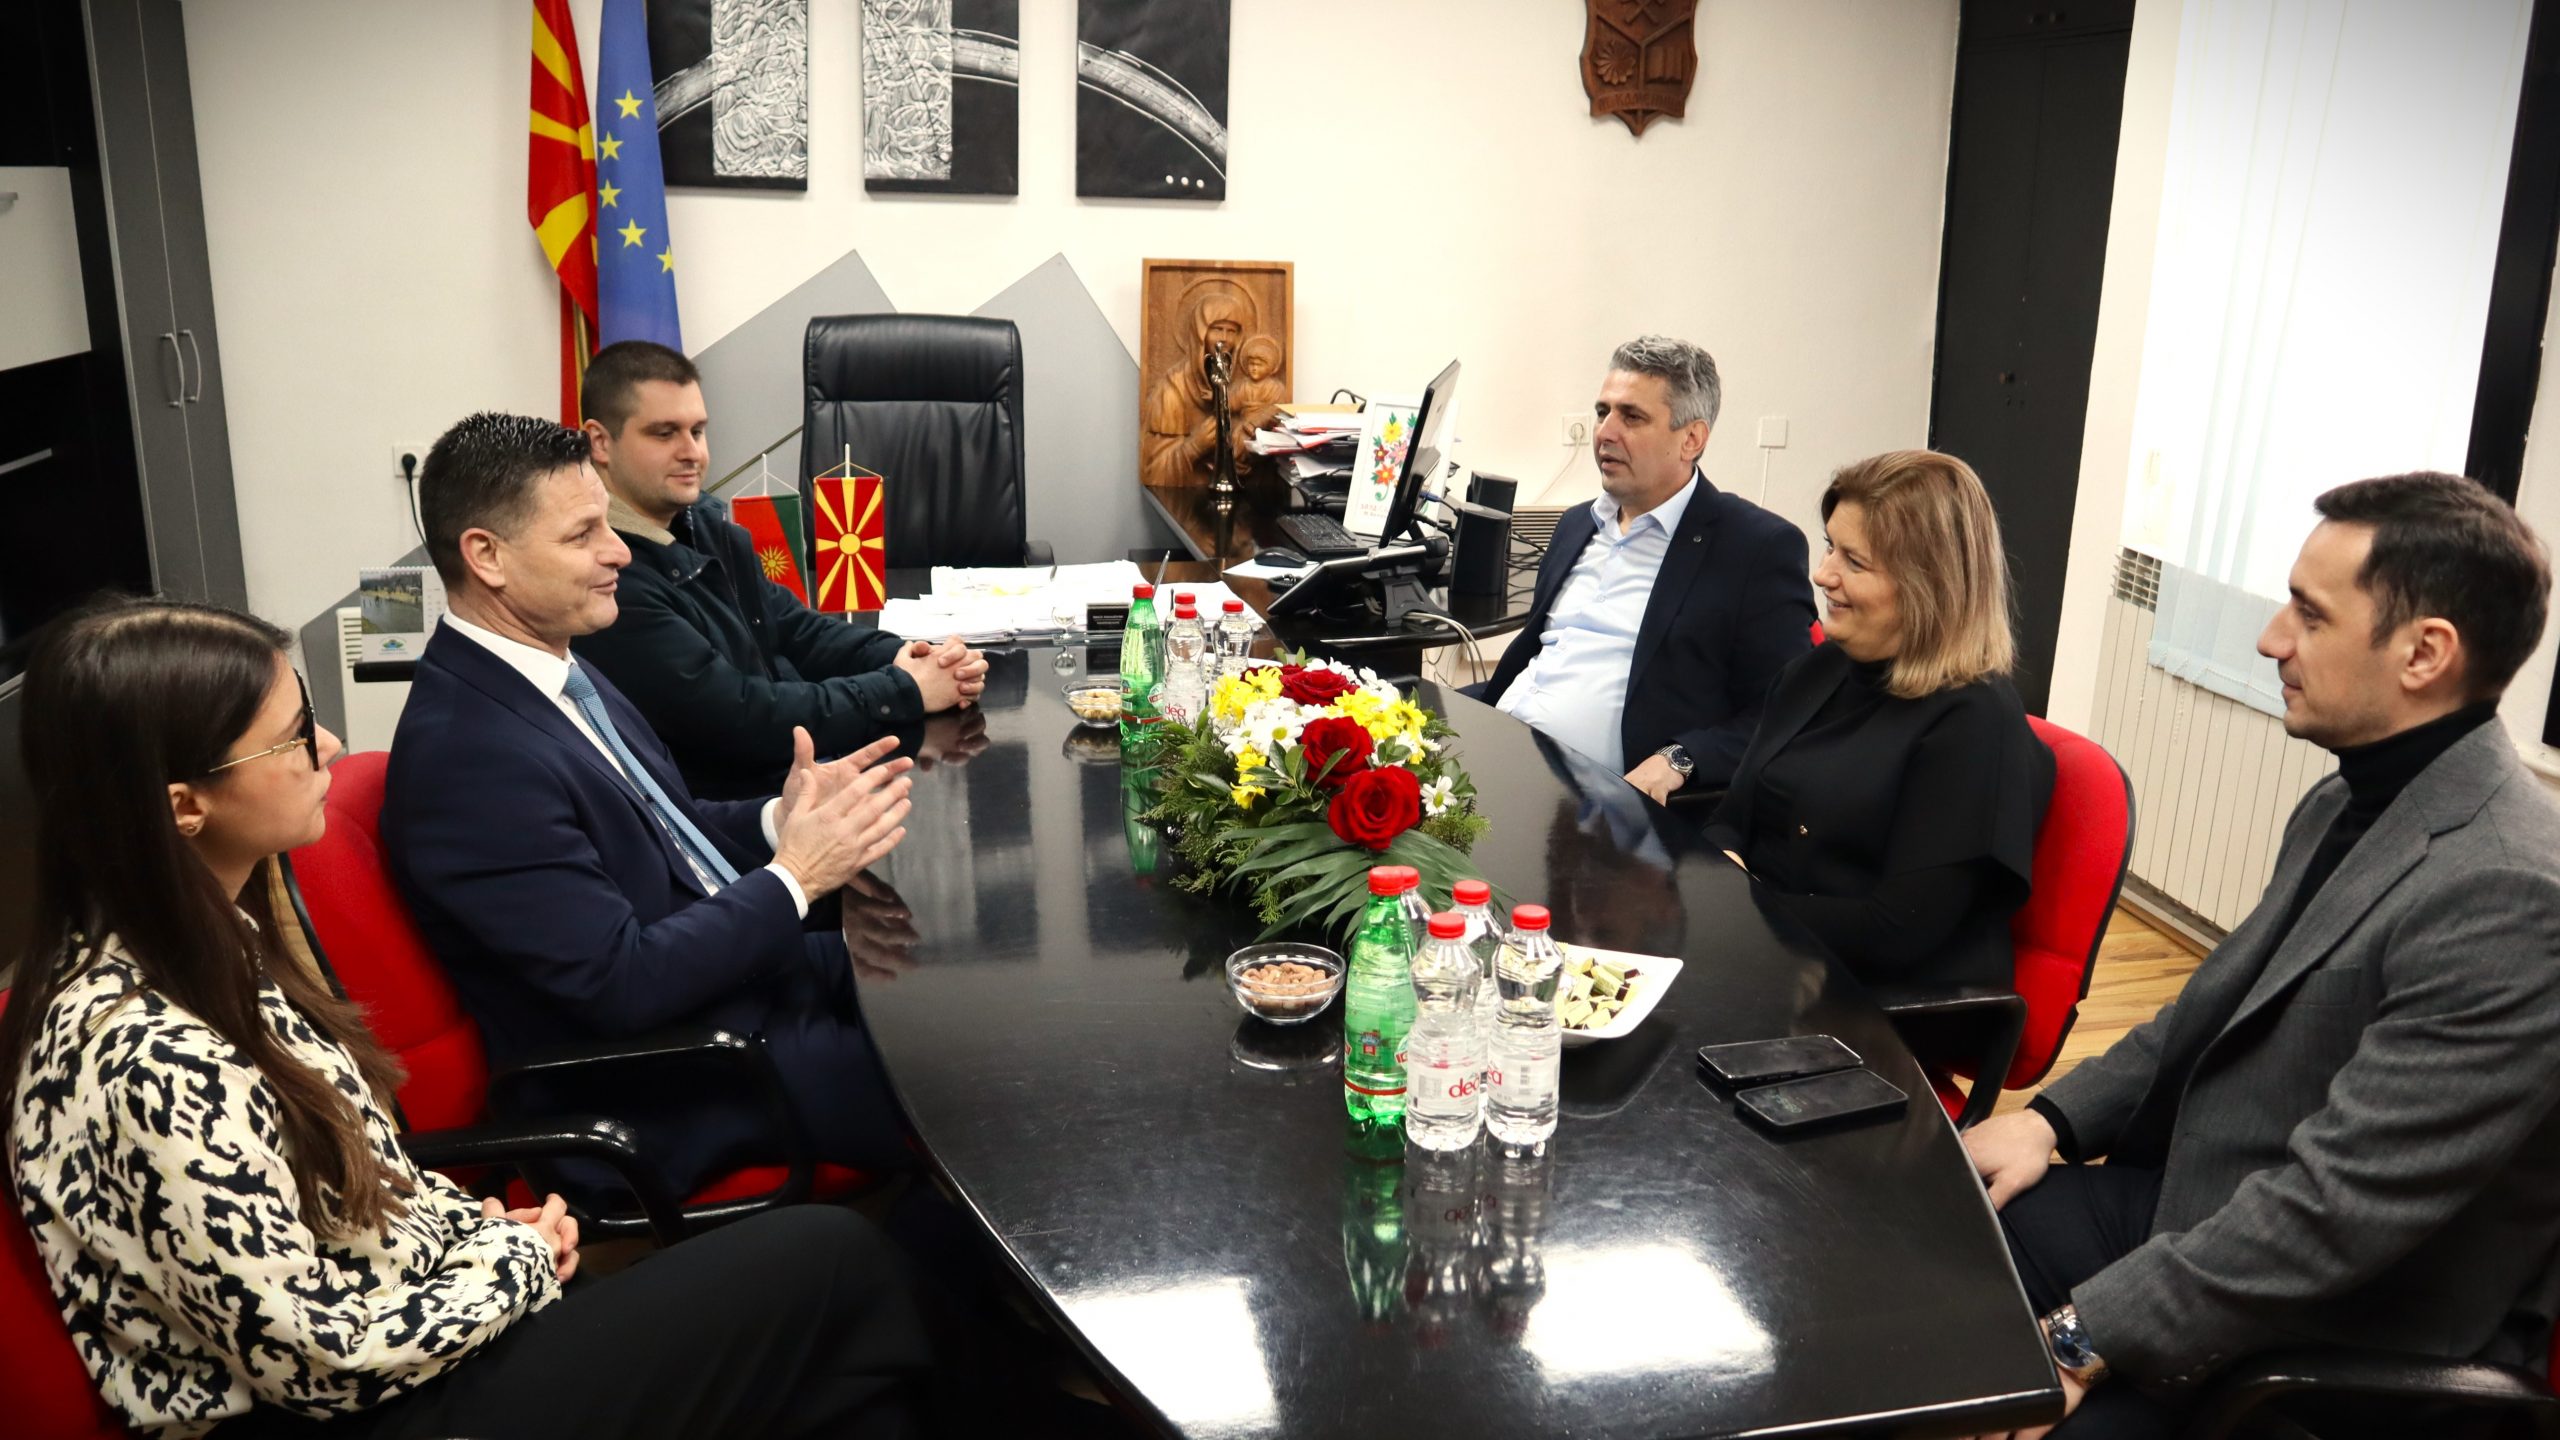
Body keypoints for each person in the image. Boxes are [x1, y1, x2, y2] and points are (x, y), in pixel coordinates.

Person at [2, 598, 927, 1440]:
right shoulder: (143, 1054)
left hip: (425, 1332)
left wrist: (476, 1236)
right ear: (184, 807)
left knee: (837, 1345)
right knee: (835, 1263)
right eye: (290, 739)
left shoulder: (206, 948)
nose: (329, 746)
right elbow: (319, 1359)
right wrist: (509, 1263)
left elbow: (360, 1183)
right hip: (372, 1410)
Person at [1960, 473, 2560, 1440]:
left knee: (2017, 1405)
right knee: (1942, 1253)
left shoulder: (2512, 893)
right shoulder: (2345, 800)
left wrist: (2077, 1341)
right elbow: (2211, 1007)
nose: (2271, 638)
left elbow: (2337, 1212)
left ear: (2425, 653)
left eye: (2310, 615)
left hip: (2346, 1330)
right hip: (2215, 1208)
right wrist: (2052, 1123)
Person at [383, 411, 918, 1195]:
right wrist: (798, 876)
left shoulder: (553, 665)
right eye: (583, 534)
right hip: (674, 1075)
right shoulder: (467, 756)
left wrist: (780, 818)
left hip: (740, 989)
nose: (620, 552)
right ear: (486, 556)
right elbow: (622, 984)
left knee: (953, 982)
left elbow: (665, 832)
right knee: (974, 1081)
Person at [568, 339, 987, 799]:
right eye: (665, 434)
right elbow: (739, 717)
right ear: (600, 441)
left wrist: (918, 658)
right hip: (734, 815)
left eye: (698, 431)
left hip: (790, 781)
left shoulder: (706, 524)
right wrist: (904, 689)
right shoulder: (608, 579)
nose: (692, 452)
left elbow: (795, 630)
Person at [1702, 450, 2052, 989]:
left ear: (1928, 584)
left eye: (1854, 562)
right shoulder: (1817, 670)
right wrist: (1726, 869)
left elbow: (1896, 932)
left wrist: (1744, 907)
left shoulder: (1973, 724)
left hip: (1875, 998)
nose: (1823, 574)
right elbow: (1730, 815)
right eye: (1830, 547)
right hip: (1768, 948)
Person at [1475, 335, 1816, 801]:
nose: (1605, 433)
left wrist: (1679, 759)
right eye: (1602, 412)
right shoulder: (1577, 524)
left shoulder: (1756, 548)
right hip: (1502, 754)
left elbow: (1783, 713)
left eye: (1631, 417)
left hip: (1599, 804)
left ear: (1691, 439)